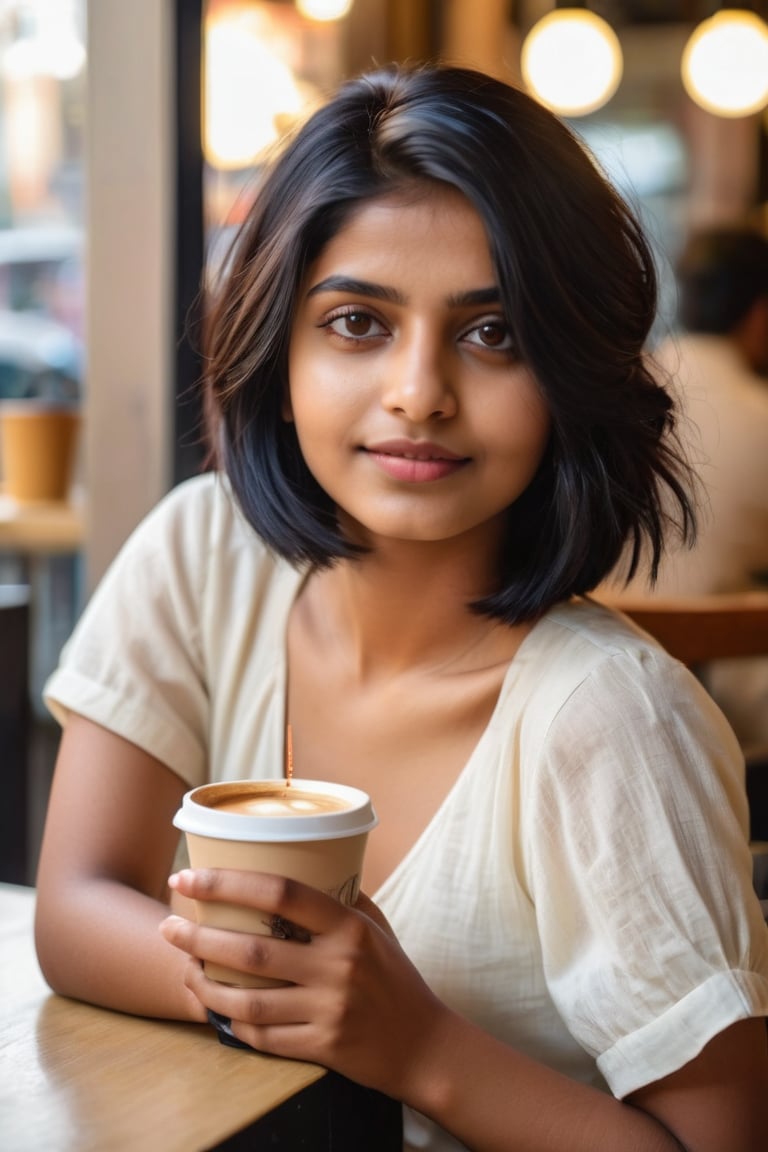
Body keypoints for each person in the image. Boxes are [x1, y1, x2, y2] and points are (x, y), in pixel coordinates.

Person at [34, 63, 768, 1152]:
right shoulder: (203, 552)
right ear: (277, 346)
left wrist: (415, 1046)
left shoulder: (611, 722)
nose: (419, 390)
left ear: (571, 371)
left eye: (494, 334)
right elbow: (74, 907)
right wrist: (295, 1002)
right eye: (357, 323)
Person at [611, 226, 768, 751]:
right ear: (760, 314)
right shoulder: (759, 413)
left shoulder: (611, 396)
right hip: (723, 708)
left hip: (595, 672)